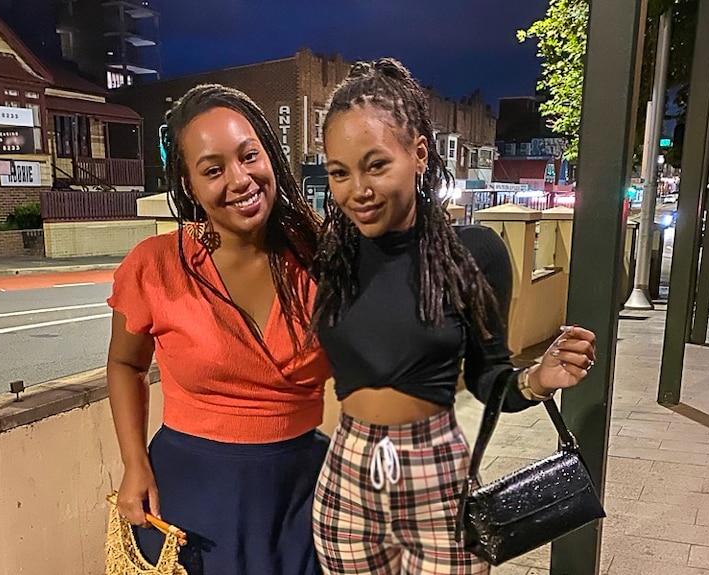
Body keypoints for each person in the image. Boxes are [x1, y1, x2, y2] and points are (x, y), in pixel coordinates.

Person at [308, 58, 598, 575]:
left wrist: (535, 379)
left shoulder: (473, 252)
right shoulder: (332, 258)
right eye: (339, 172)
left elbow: (490, 379)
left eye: (376, 164)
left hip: (436, 476)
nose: (358, 189)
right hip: (346, 479)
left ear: (419, 153)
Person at [105, 84, 331, 575]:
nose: (240, 179)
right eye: (213, 169)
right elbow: (125, 363)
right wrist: (133, 465)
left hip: (302, 493)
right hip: (191, 496)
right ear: (188, 185)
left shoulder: (322, 257)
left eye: (249, 156)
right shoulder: (157, 264)